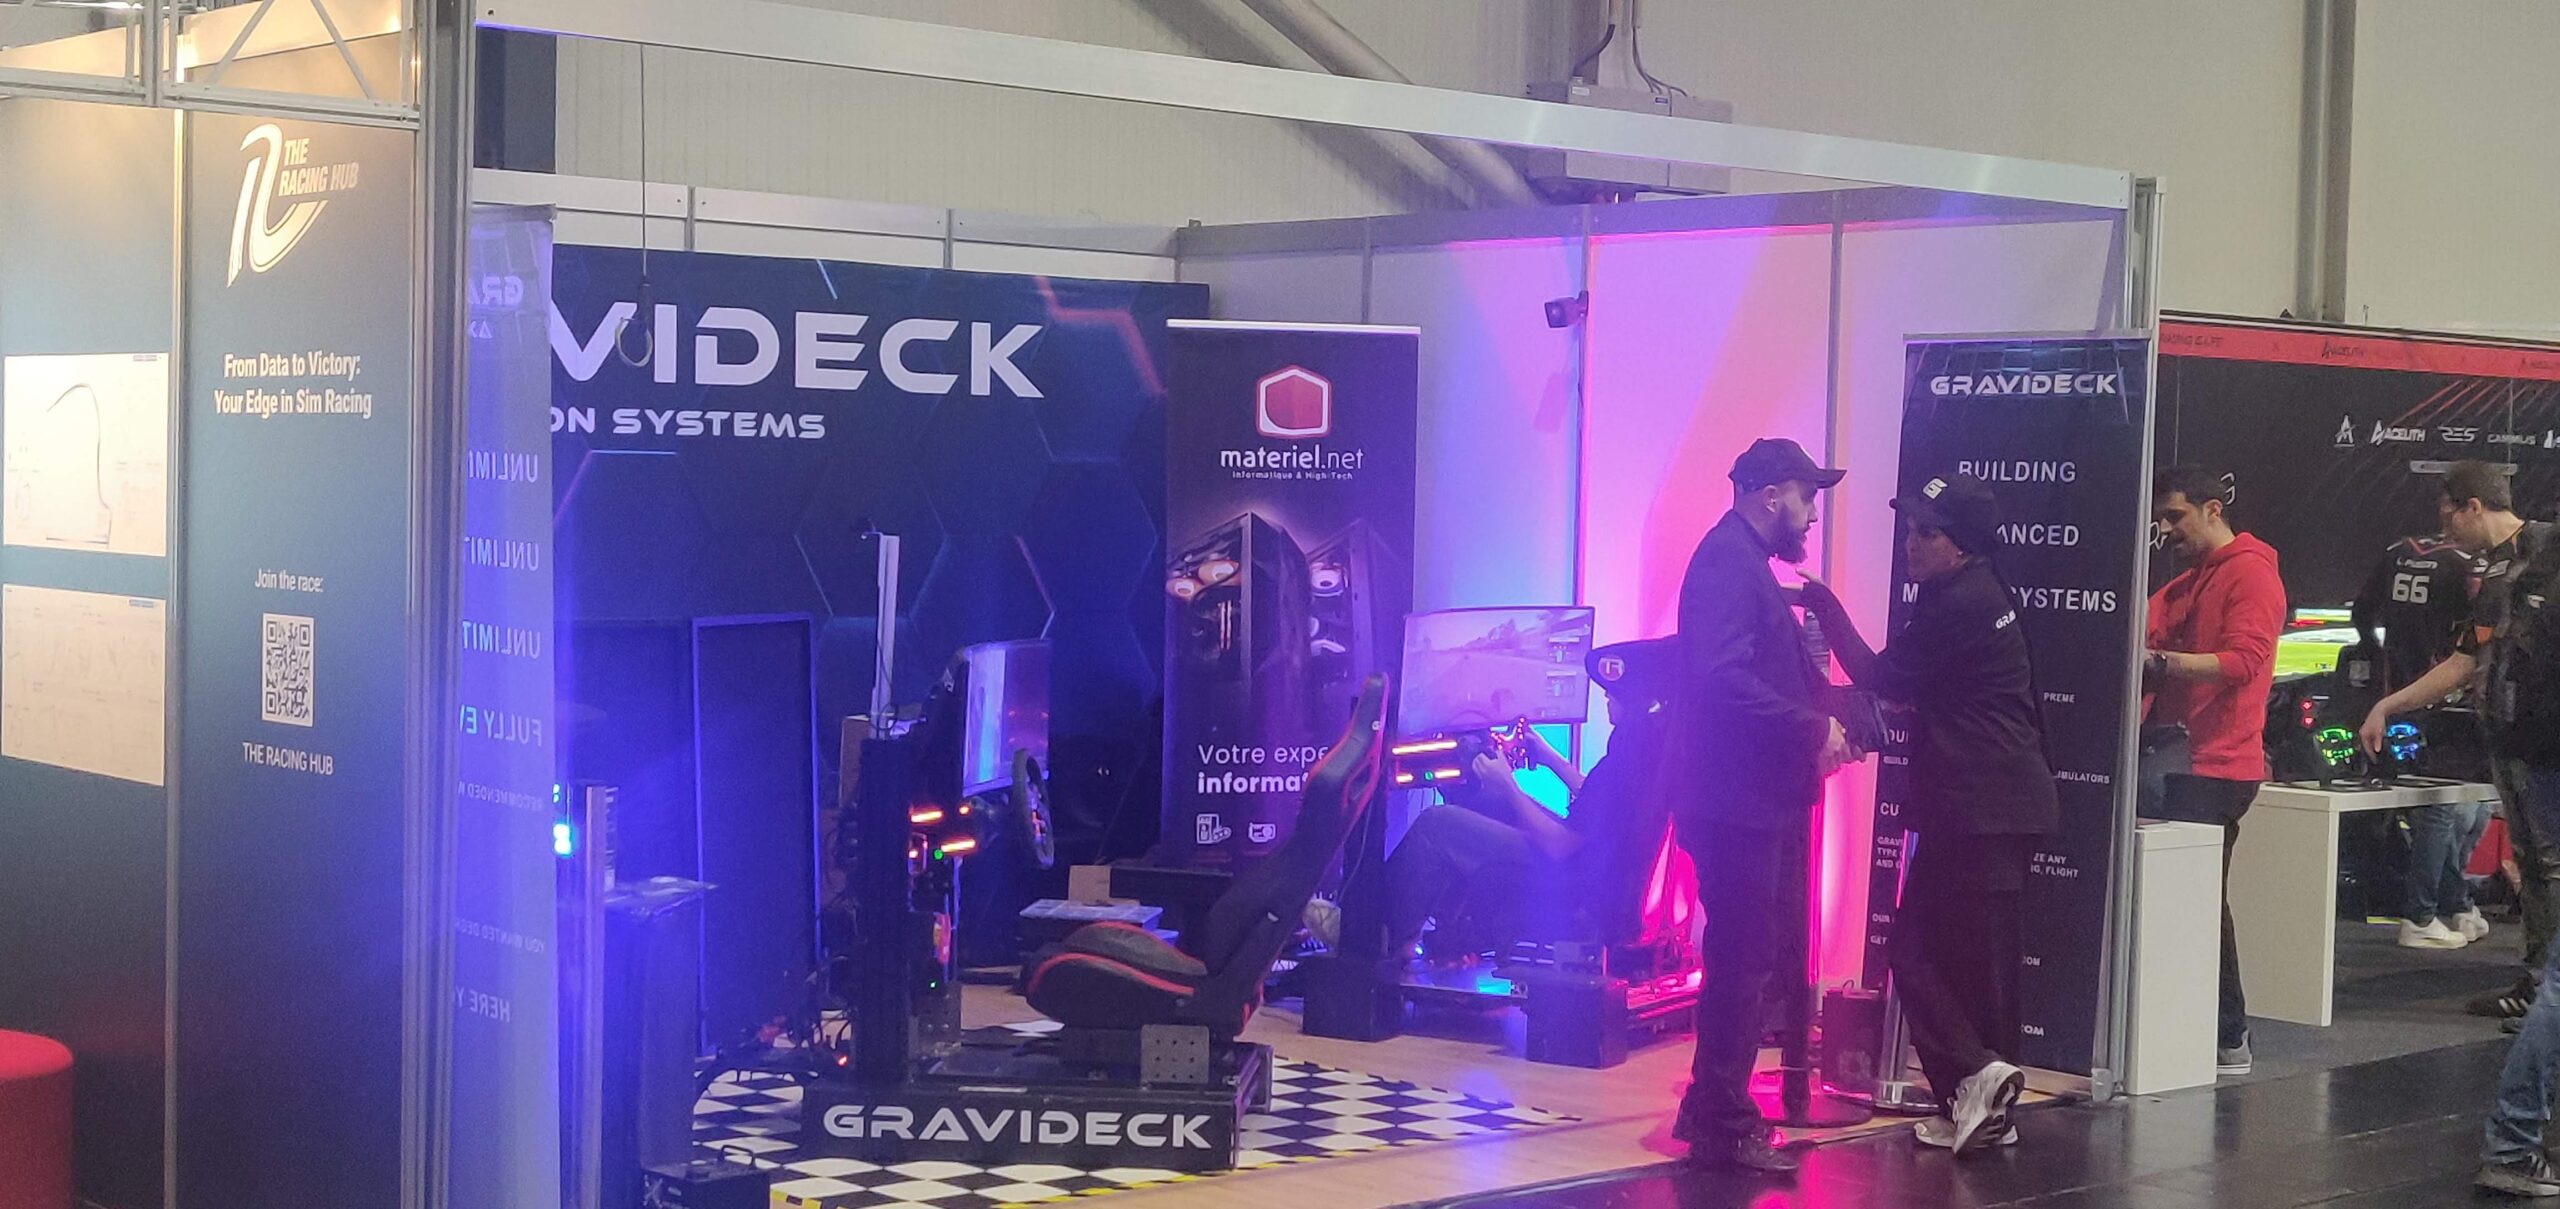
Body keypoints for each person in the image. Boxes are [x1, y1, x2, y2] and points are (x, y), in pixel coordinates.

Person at [1798, 472, 2057, 1156]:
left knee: (1913, 951)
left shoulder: (1959, 603)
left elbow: (1883, 677)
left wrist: (1825, 608)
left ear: (1961, 544)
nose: (1910, 543)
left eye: (1927, 532)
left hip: (1978, 807)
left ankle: (1975, 1075)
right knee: (1977, 965)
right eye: (1910, 528)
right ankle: (1983, 1106)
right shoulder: (1979, 592)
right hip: (1997, 804)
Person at [1667, 437, 1855, 1177]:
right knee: (1742, 961)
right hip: (1734, 802)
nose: (1811, 513)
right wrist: (1811, 727)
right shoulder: (1726, 563)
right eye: (1806, 497)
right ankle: (1723, 1122)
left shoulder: (1738, 562)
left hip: (1745, 799)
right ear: (1770, 495)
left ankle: (1709, 1106)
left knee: (1744, 958)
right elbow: (1721, 679)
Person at [1307, 639, 1676, 961]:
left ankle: (1373, 934)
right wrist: (1548, 758)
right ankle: (1416, 931)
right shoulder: (1645, 747)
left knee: (1437, 825)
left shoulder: (1628, 755)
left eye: (1613, 693)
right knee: (1484, 799)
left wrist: (1508, 784)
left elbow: (1560, 845)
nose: (1607, 697)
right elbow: (1599, 800)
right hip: (1593, 869)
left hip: (1570, 877)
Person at [2358, 462, 2559, 1022]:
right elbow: (2466, 660)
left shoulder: (2548, 550)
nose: (2444, 527)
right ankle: (2539, 985)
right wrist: (2388, 704)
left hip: (2547, 742)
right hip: (2512, 739)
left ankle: (2549, 992)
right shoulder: (2494, 571)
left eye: (2448, 513)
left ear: (2473, 506)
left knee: (2549, 863)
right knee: (2535, 863)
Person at [2141, 464, 2285, 1078]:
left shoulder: (2249, 573)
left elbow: (2243, 662)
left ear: (2212, 509)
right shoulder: (2193, 579)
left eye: (2175, 516)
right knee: (2188, 902)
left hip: (2216, 764)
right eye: (2161, 519)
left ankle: (2228, 1034)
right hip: (2185, 760)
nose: (2167, 529)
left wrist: (2159, 663)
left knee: (2199, 905)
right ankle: (2210, 1033)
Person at [2353, 530, 2492, 951]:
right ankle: (2423, 913)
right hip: (2440, 696)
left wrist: (2376, 656)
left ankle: (2456, 904)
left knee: (2459, 809)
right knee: (2445, 808)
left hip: (2397, 691)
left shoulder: (2399, 551)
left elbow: (2362, 613)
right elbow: (2475, 638)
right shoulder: (2468, 564)